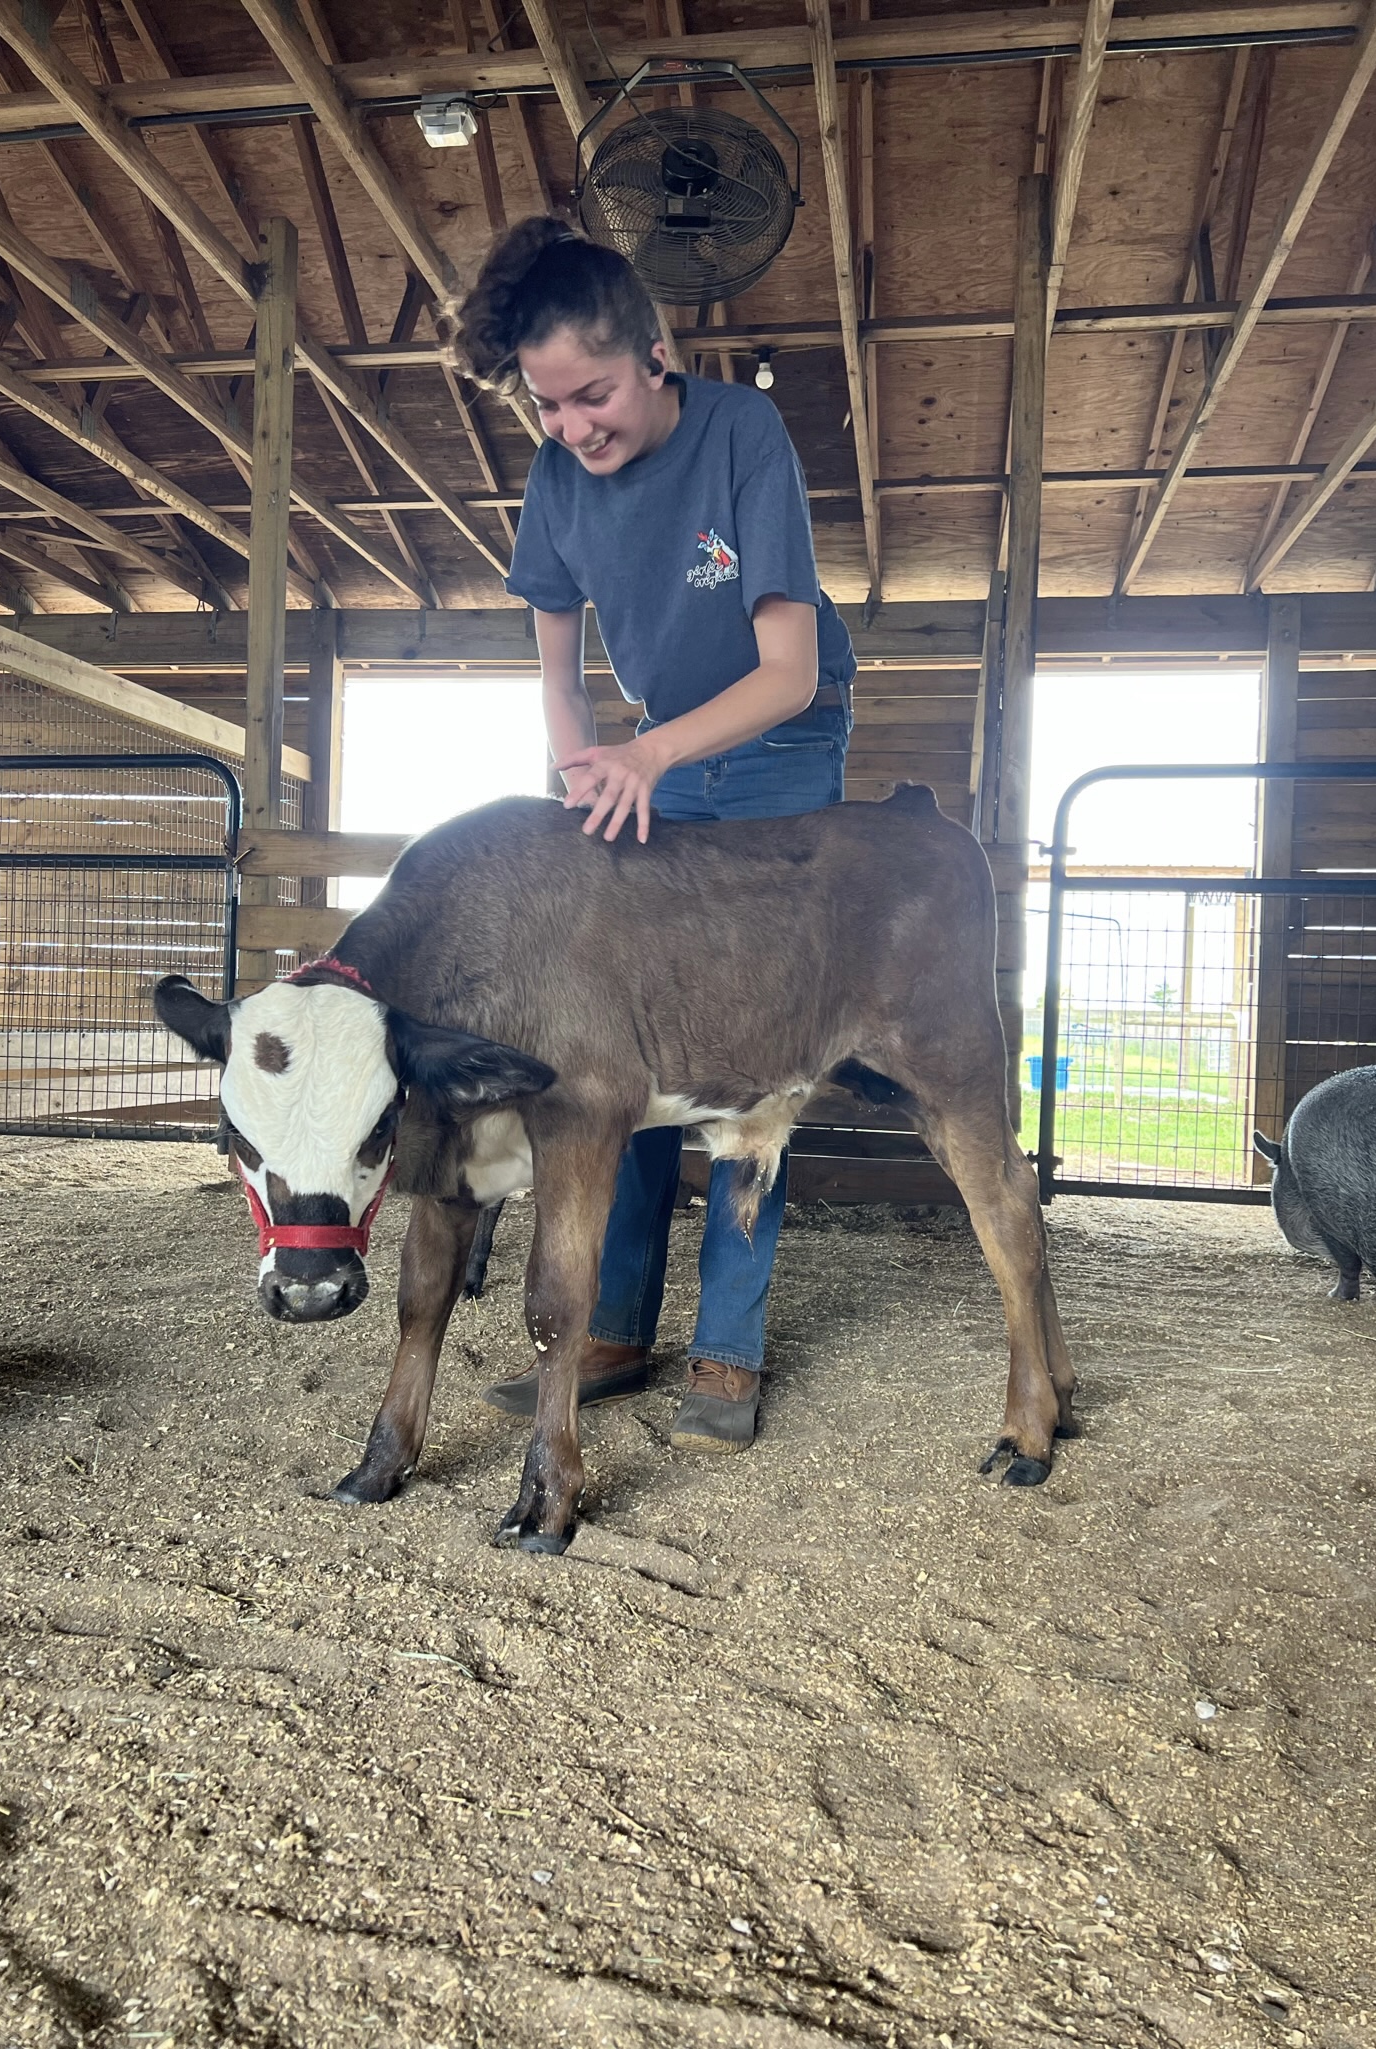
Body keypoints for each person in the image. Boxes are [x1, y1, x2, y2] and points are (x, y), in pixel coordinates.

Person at [447, 216, 856, 1452]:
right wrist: (580, 780)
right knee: (613, 1044)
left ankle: (727, 1350)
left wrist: (651, 753)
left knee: (750, 1039)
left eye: (596, 394)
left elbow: (784, 676)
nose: (575, 426)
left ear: (658, 354)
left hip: (777, 742)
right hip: (653, 749)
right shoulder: (555, 482)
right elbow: (561, 678)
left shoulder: (742, 435)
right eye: (547, 404)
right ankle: (614, 1329)